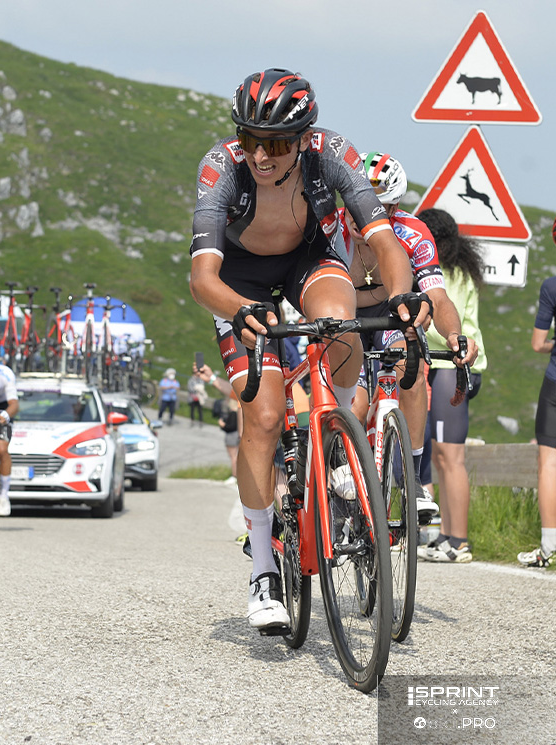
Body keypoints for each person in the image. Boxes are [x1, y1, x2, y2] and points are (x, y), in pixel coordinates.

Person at [189, 68, 430, 632]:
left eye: (275, 145)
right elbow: (203, 279)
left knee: (341, 322)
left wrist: (400, 294)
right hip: (240, 281)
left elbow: (382, 239)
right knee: (264, 416)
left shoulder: (333, 153)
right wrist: (239, 311)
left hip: (308, 259)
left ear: (302, 139)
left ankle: (342, 436)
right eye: (250, 139)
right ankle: (263, 569)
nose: (260, 155)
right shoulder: (221, 167)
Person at [341, 152, 479, 525]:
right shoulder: (330, 228)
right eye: (354, 205)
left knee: (412, 369)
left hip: (391, 314)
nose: (360, 217)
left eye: (375, 208)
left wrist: (454, 335)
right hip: (346, 314)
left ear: (394, 207)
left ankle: (412, 482)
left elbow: (438, 298)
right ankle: (339, 482)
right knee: (355, 404)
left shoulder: (413, 233)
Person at [416, 208, 487, 564]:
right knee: (441, 456)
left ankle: (459, 541)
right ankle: (446, 536)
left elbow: (445, 322)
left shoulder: (447, 275)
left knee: (450, 456)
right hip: (444, 366)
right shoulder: (457, 269)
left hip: (451, 365)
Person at [517, 228, 556, 567]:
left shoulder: (551, 286)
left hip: (554, 383)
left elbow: (537, 344)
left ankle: (548, 547)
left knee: (549, 464)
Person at [0, 363, 19, 517]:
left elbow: (14, 404)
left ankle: (4, 495)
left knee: (1, 449)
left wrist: (5, 415)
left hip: (3, 407)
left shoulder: (5, 374)